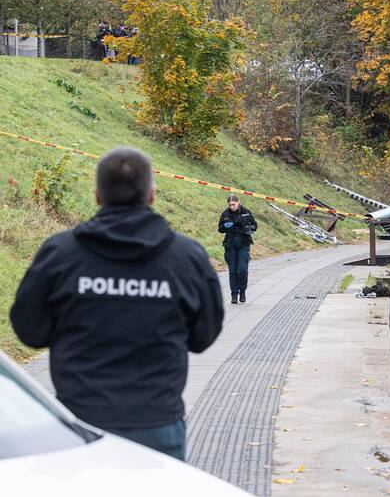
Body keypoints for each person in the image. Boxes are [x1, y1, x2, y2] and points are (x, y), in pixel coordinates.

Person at [10, 147, 223, 460]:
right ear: (151, 195)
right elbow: (203, 335)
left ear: (98, 195)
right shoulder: (186, 257)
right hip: (158, 427)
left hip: (80, 427)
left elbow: (30, 331)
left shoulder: (61, 254)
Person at [218, 195, 258, 304]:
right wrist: (225, 226)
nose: (232, 207)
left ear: (238, 202)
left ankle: (243, 291)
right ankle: (234, 294)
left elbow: (254, 225)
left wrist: (250, 228)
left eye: (233, 204)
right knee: (233, 271)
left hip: (244, 244)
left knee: (242, 270)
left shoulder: (246, 212)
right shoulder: (225, 214)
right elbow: (220, 229)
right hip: (230, 245)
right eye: (230, 205)